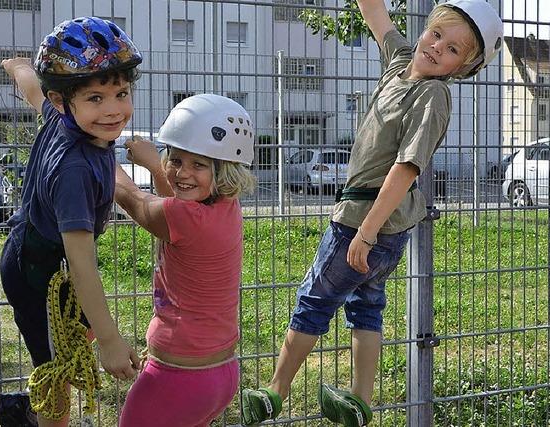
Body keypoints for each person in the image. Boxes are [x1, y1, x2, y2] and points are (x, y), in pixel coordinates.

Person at [240, 0, 503, 426]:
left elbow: (406, 167)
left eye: (453, 49)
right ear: (426, 29)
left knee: (313, 302)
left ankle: (274, 392)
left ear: (463, 67)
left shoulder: (432, 94)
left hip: (364, 223)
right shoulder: (402, 62)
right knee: (367, 306)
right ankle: (360, 403)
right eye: (436, 34)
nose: (437, 48)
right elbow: (375, 14)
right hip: (383, 228)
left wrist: (365, 231)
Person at [0, 16, 142, 427]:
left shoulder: (61, 115)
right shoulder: (73, 171)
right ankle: (41, 416)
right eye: (96, 98)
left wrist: (16, 65)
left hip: (40, 254)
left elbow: (30, 86)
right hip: (39, 271)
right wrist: (111, 340)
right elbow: (82, 267)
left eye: (121, 92)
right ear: (64, 101)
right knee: (56, 375)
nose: (114, 109)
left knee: (69, 345)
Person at [114, 94, 256, 427]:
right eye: (175, 159)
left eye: (198, 164)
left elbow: (132, 199)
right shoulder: (225, 208)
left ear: (223, 171)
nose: (183, 172)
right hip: (220, 375)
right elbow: (177, 200)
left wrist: (97, 149)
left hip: (179, 377)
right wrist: (154, 164)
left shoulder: (185, 218)